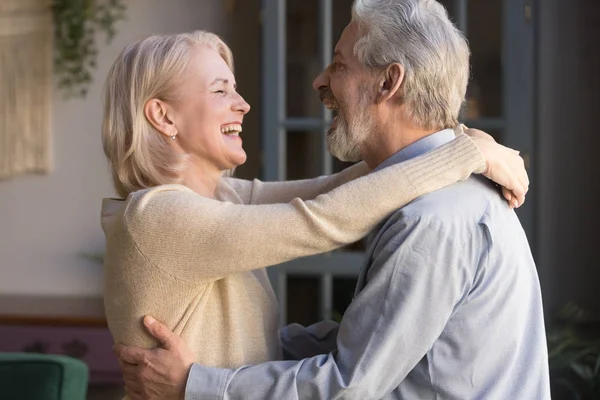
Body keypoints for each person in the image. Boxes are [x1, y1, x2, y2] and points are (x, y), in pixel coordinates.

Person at [113, 1, 548, 399]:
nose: (243, 104)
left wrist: (461, 144)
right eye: (220, 90)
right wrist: (461, 149)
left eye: (339, 65)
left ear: (388, 82)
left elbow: (348, 382)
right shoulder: (161, 216)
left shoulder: (431, 218)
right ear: (163, 115)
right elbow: (325, 215)